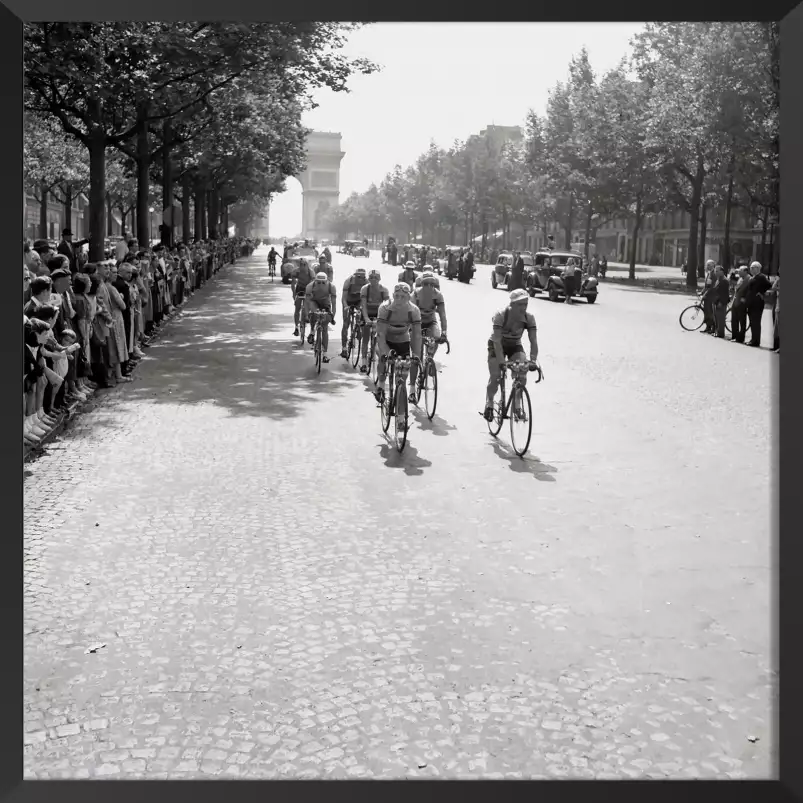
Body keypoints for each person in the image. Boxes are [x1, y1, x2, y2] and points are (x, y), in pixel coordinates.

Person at [483, 288, 539, 422]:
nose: (523, 308)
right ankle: (489, 402)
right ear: (512, 304)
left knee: (522, 370)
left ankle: (517, 405)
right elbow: (496, 341)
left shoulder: (529, 318)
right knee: (496, 375)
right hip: (497, 345)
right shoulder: (501, 315)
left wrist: (532, 360)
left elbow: (533, 340)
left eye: (525, 304)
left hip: (514, 345)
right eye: (520, 304)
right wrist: (502, 362)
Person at [373, 283, 422, 404]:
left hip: (403, 339)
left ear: (409, 297)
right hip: (386, 338)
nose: (399, 300)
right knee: (383, 359)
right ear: (393, 295)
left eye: (403, 297)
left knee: (402, 375)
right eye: (397, 296)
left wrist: (416, 355)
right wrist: (386, 352)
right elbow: (381, 335)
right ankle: (380, 386)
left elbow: (416, 335)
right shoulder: (384, 308)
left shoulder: (414, 310)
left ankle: (401, 393)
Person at [411, 272, 447, 398]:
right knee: (417, 355)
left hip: (431, 321)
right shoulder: (415, 294)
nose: (429, 286)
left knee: (435, 338)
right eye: (426, 283)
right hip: (417, 322)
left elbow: (442, 315)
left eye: (432, 284)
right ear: (422, 284)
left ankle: (429, 360)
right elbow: (410, 314)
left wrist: (444, 333)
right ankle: (411, 389)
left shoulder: (438, 295)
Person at [359, 269, 390, 374]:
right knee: (366, 337)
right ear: (368, 279)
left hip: (379, 315)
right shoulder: (365, 289)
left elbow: (387, 307)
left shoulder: (384, 290)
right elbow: (363, 306)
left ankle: (381, 357)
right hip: (367, 313)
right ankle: (363, 362)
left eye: (376, 278)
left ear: (379, 279)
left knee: (382, 337)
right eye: (371, 278)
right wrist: (366, 319)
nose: (373, 280)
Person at [304, 271, 337, 362]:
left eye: (323, 282)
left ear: (327, 281)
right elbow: (306, 303)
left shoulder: (331, 287)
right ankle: (312, 331)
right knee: (314, 314)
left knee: (325, 328)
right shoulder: (310, 287)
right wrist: (307, 315)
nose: (321, 284)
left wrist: (332, 316)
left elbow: (334, 304)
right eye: (319, 282)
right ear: (315, 281)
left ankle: (325, 354)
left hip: (325, 303)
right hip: (314, 301)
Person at [340, 266, 369, 358]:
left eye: (362, 277)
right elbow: (343, 298)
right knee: (346, 323)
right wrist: (346, 307)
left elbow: (367, 299)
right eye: (358, 277)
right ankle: (344, 348)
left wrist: (363, 309)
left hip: (358, 300)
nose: (360, 279)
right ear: (355, 276)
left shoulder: (366, 282)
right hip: (348, 301)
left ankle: (358, 326)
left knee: (361, 313)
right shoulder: (348, 281)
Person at [744, 261, 772, 348]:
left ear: (758, 268)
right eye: (751, 267)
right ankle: (753, 339)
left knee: (756, 322)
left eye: (753, 268)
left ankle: (756, 341)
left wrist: (761, 292)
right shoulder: (753, 277)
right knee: (752, 322)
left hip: (757, 303)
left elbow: (769, 285)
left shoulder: (761, 277)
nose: (751, 269)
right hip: (751, 302)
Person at [290, 257, 316, 337]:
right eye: (301, 265)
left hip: (308, 288)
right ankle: (296, 327)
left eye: (304, 265)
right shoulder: (296, 271)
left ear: (307, 265)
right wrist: (294, 294)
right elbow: (293, 284)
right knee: (297, 308)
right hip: (300, 287)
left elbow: (313, 285)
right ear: (299, 265)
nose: (303, 266)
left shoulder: (311, 272)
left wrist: (311, 295)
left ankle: (307, 315)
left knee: (307, 304)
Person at [730, 266, 750, 343]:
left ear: (745, 271)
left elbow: (750, 291)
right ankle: (734, 336)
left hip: (742, 303)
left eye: (740, 270)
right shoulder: (740, 279)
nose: (738, 272)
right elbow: (735, 286)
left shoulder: (749, 279)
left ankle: (741, 338)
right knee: (734, 320)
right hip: (735, 301)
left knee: (742, 321)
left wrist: (745, 298)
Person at [711, 266, 730, 338]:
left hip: (721, 302)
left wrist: (721, 302)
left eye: (717, 271)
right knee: (716, 317)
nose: (716, 272)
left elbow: (725, 294)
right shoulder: (718, 279)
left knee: (721, 318)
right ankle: (717, 331)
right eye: (715, 271)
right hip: (716, 301)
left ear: (722, 272)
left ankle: (721, 333)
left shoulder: (724, 280)